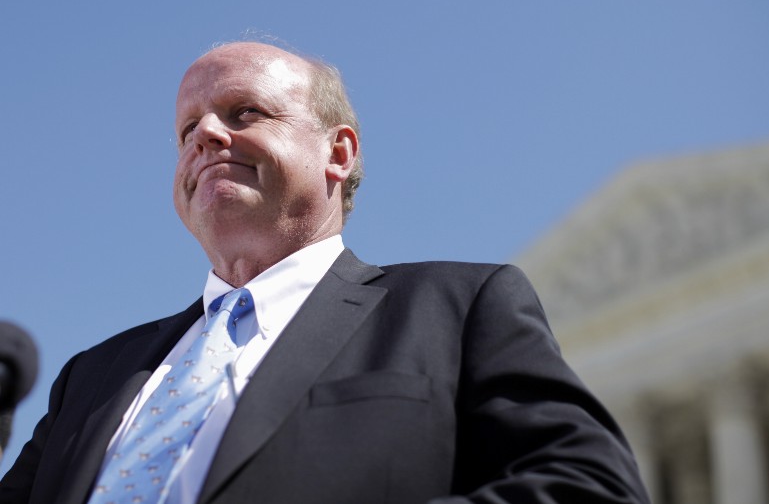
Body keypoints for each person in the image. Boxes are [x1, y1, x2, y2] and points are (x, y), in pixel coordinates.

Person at [0, 41, 650, 504]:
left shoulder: (457, 308)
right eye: (186, 130)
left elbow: (589, 486)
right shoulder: (91, 376)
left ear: (337, 153)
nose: (205, 136)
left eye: (243, 113)